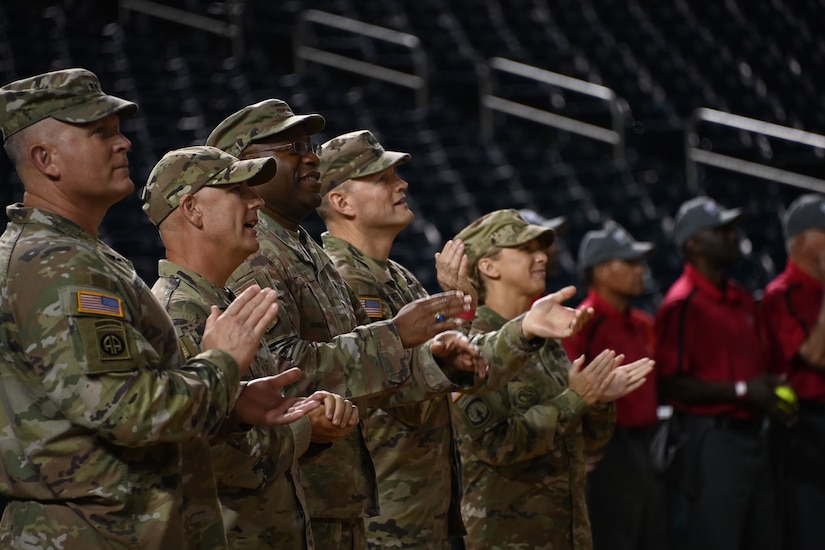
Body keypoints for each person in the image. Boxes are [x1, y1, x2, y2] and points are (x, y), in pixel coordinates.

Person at [0, 69, 313, 548]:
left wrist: (229, 402)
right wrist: (222, 363)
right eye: (99, 133)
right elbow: (130, 413)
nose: (123, 143)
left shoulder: (73, 253)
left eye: (118, 130)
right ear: (46, 159)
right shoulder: (55, 264)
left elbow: (99, 408)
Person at [205, 100, 496, 550]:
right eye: (291, 148)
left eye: (309, 146)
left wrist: (438, 363)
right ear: (248, 169)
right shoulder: (257, 254)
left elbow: (369, 374)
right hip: (295, 503)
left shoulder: (306, 251)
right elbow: (278, 371)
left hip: (338, 496)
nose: (310, 157)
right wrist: (398, 336)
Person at [316, 129, 596, 549]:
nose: (402, 184)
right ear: (341, 202)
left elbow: (456, 375)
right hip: (379, 516)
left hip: (418, 508)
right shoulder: (335, 280)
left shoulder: (400, 278)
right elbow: (403, 395)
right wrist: (520, 330)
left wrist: (460, 312)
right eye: (382, 179)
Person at [142, 145, 358, 548]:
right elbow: (212, 459)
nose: (256, 200)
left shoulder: (218, 303)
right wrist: (307, 429)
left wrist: (302, 414)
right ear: (193, 209)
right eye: (238, 191)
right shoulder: (178, 316)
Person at [451, 209, 654, 550]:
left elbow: (587, 445)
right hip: (508, 538)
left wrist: (599, 400)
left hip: (568, 532)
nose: (541, 257)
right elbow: (498, 445)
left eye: (541, 250)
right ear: (489, 267)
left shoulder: (547, 340)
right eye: (526, 250)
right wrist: (576, 399)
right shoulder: (470, 345)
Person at [654, 196, 787, 550]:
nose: (733, 237)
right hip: (711, 441)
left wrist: (771, 388)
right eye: (721, 231)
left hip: (754, 435)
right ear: (694, 244)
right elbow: (670, 384)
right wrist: (742, 391)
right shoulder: (682, 303)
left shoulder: (742, 299)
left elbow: (759, 368)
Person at [563, 222, 663, 550]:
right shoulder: (582, 323)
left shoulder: (643, 323)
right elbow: (571, 388)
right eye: (630, 263)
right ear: (602, 271)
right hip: (608, 450)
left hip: (645, 445)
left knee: (649, 535)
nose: (640, 271)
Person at [762, 193, 825, 550]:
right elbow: (816, 355)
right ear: (801, 242)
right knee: (810, 531)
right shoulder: (780, 294)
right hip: (805, 427)